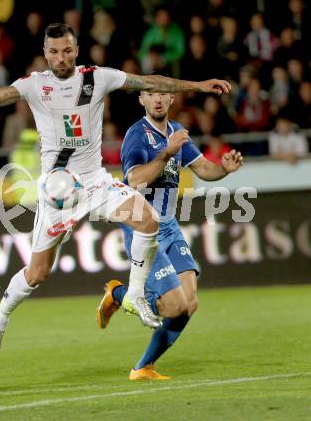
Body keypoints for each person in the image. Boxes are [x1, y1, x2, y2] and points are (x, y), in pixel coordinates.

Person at [0, 23, 232, 364]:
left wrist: (198, 86)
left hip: (94, 180)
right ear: (45, 53)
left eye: (67, 50)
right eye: (54, 51)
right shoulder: (35, 84)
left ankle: (137, 295)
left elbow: (151, 82)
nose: (61, 57)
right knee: (37, 273)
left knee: (147, 219)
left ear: (77, 50)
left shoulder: (98, 78)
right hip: (58, 189)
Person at [97, 90, 243, 380]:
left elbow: (203, 168)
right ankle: (118, 294)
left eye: (163, 93)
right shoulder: (137, 135)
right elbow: (134, 180)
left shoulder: (177, 132)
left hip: (170, 226)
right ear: (142, 100)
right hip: (143, 227)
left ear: (172, 99)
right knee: (173, 305)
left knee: (189, 303)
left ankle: (142, 367)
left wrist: (223, 170)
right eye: (151, 94)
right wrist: (166, 153)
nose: (158, 99)